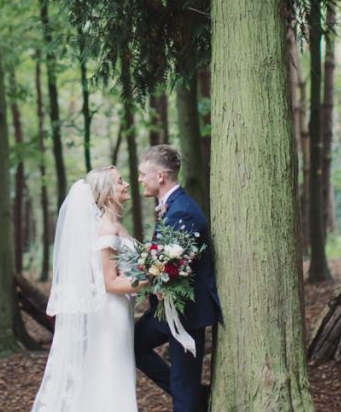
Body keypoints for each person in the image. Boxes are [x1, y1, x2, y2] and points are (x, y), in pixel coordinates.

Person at [31, 166, 144, 412]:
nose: (126, 185)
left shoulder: (116, 225)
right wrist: (153, 279)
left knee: (117, 370)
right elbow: (110, 283)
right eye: (120, 182)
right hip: (111, 312)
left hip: (122, 309)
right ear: (107, 193)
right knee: (112, 371)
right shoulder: (106, 229)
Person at [134, 145, 223, 412]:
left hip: (187, 313)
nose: (139, 179)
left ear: (160, 176)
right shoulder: (170, 206)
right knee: (132, 345)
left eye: (142, 174)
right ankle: (199, 396)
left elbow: (176, 266)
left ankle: (192, 399)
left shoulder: (182, 210)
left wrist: (152, 277)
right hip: (165, 311)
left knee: (183, 392)